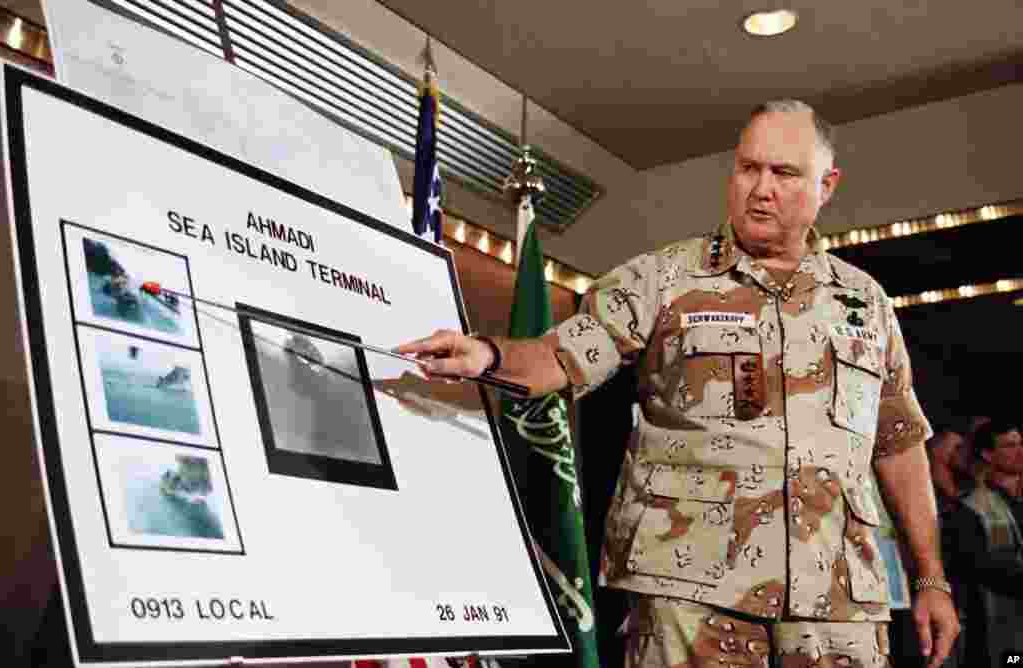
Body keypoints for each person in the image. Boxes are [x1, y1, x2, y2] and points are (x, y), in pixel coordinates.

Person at [398, 100, 958, 667]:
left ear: (827, 185)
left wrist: (931, 579)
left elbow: (899, 444)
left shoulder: (865, 304)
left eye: (784, 173)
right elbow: (559, 357)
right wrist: (490, 353)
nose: (760, 189)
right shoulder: (663, 280)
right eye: (748, 168)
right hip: (692, 600)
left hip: (837, 607)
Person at [943, 420, 1023, 668]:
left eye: (1021, 443)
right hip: (998, 630)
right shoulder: (972, 506)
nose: (1020, 451)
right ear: (988, 454)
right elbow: (979, 564)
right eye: (1010, 445)